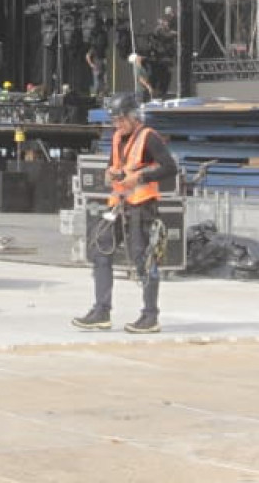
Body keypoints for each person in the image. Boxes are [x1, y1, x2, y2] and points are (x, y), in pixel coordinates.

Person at [72, 92, 179, 335]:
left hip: (142, 206)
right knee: (100, 249)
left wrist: (141, 177)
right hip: (119, 204)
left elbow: (170, 167)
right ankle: (101, 311)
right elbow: (114, 165)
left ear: (133, 116)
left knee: (143, 260)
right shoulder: (118, 137)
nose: (117, 124)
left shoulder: (149, 138)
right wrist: (110, 174)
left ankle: (150, 316)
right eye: (114, 121)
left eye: (120, 119)